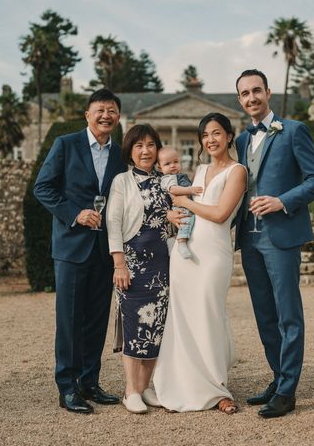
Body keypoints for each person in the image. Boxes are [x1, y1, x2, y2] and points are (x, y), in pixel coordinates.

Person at [234, 69, 314, 418]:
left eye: (256, 90)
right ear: (240, 100)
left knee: (288, 314)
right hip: (249, 237)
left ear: (268, 92)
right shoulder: (241, 141)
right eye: (245, 94)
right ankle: (277, 378)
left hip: (281, 236)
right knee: (264, 315)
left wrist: (282, 201)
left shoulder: (293, 130)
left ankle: (288, 390)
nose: (252, 98)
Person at [33, 89, 127, 414]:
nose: (106, 116)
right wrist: (75, 213)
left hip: (104, 250)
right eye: (100, 110)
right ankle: (67, 388)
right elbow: (42, 187)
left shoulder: (119, 154)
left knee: (97, 320)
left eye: (112, 111)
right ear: (87, 114)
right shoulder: (65, 144)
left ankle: (90, 383)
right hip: (72, 248)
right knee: (70, 321)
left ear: (118, 116)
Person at [153, 112, 247, 414]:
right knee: (182, 318)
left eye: (217, 133)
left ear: (229, 136)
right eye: (206, 135)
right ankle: (181, 383)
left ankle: (218, 388)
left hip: (215, 252)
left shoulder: (237, 171)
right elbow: (187, 210)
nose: (211, 139)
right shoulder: (200, 168)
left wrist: (185, 203)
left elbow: (220, 214)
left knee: (209, 313)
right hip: (186, 251)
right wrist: (173, 214)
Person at [106, 124, 172, 414]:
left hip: (162, 263)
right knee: (134, 327)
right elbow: (113, 222)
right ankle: (130, 390)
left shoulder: (166, 181)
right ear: (130, 151)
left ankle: (146, 388)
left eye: (150, 145)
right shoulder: (122, 181)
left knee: (156, 328)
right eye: (138, 146)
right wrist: (119, 263)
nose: (145, 151)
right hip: (132, 264)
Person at [157, 146, 203, 259]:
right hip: (179, 207)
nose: (173, 165)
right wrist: (190, 190)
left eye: (175, 162)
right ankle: (181, 243)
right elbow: (173, 189)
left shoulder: (179, 175)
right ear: (159, 167)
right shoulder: (167, 178)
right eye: (167, 164)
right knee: (185, 220)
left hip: (186, 204)